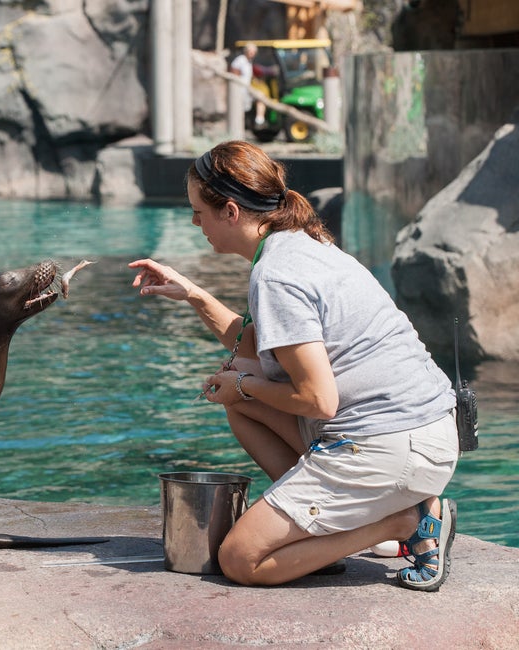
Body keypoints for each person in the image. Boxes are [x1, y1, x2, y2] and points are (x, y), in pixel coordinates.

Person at [129, 140, 459, 591]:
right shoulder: (303, 246)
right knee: (243, 406)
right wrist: (195, 295)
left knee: (241, 559)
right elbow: (267, 342)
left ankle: (403, 521)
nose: (193, 222)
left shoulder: (276, 275)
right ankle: (367, 515)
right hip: (429, 433)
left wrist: (242, 384)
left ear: (230, 211)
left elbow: (319, 401)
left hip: (387, 446)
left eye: (198, 211)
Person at [229, 43, 266, 126]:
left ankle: (259, 120)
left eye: (253, 52)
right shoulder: (240, 61)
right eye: (251, 52)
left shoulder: (249, 62)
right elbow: (234, 75)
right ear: (246, 51)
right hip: (240, 91)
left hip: (247, 89)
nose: (252, 54)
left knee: (261, 96)